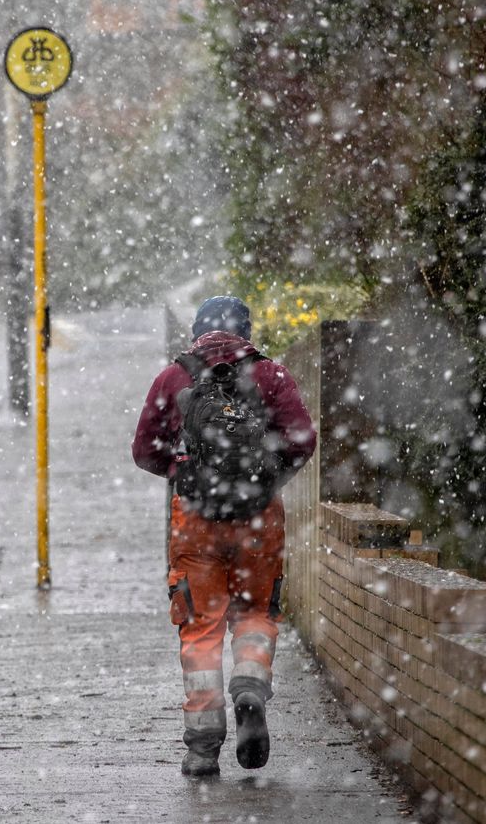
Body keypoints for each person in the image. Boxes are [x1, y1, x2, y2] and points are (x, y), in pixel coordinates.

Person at [132, 295, 317, 776]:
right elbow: (303, 440)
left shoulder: (174, 378)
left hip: (195, 519)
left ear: (197, 332)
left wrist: (182, 470)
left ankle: (202, 745)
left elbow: (143, 449)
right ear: (246, 330)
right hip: (259, 518)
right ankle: (251, 687)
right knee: (256, 611)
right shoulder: (270, 375)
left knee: (201, 629)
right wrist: (266, 480)